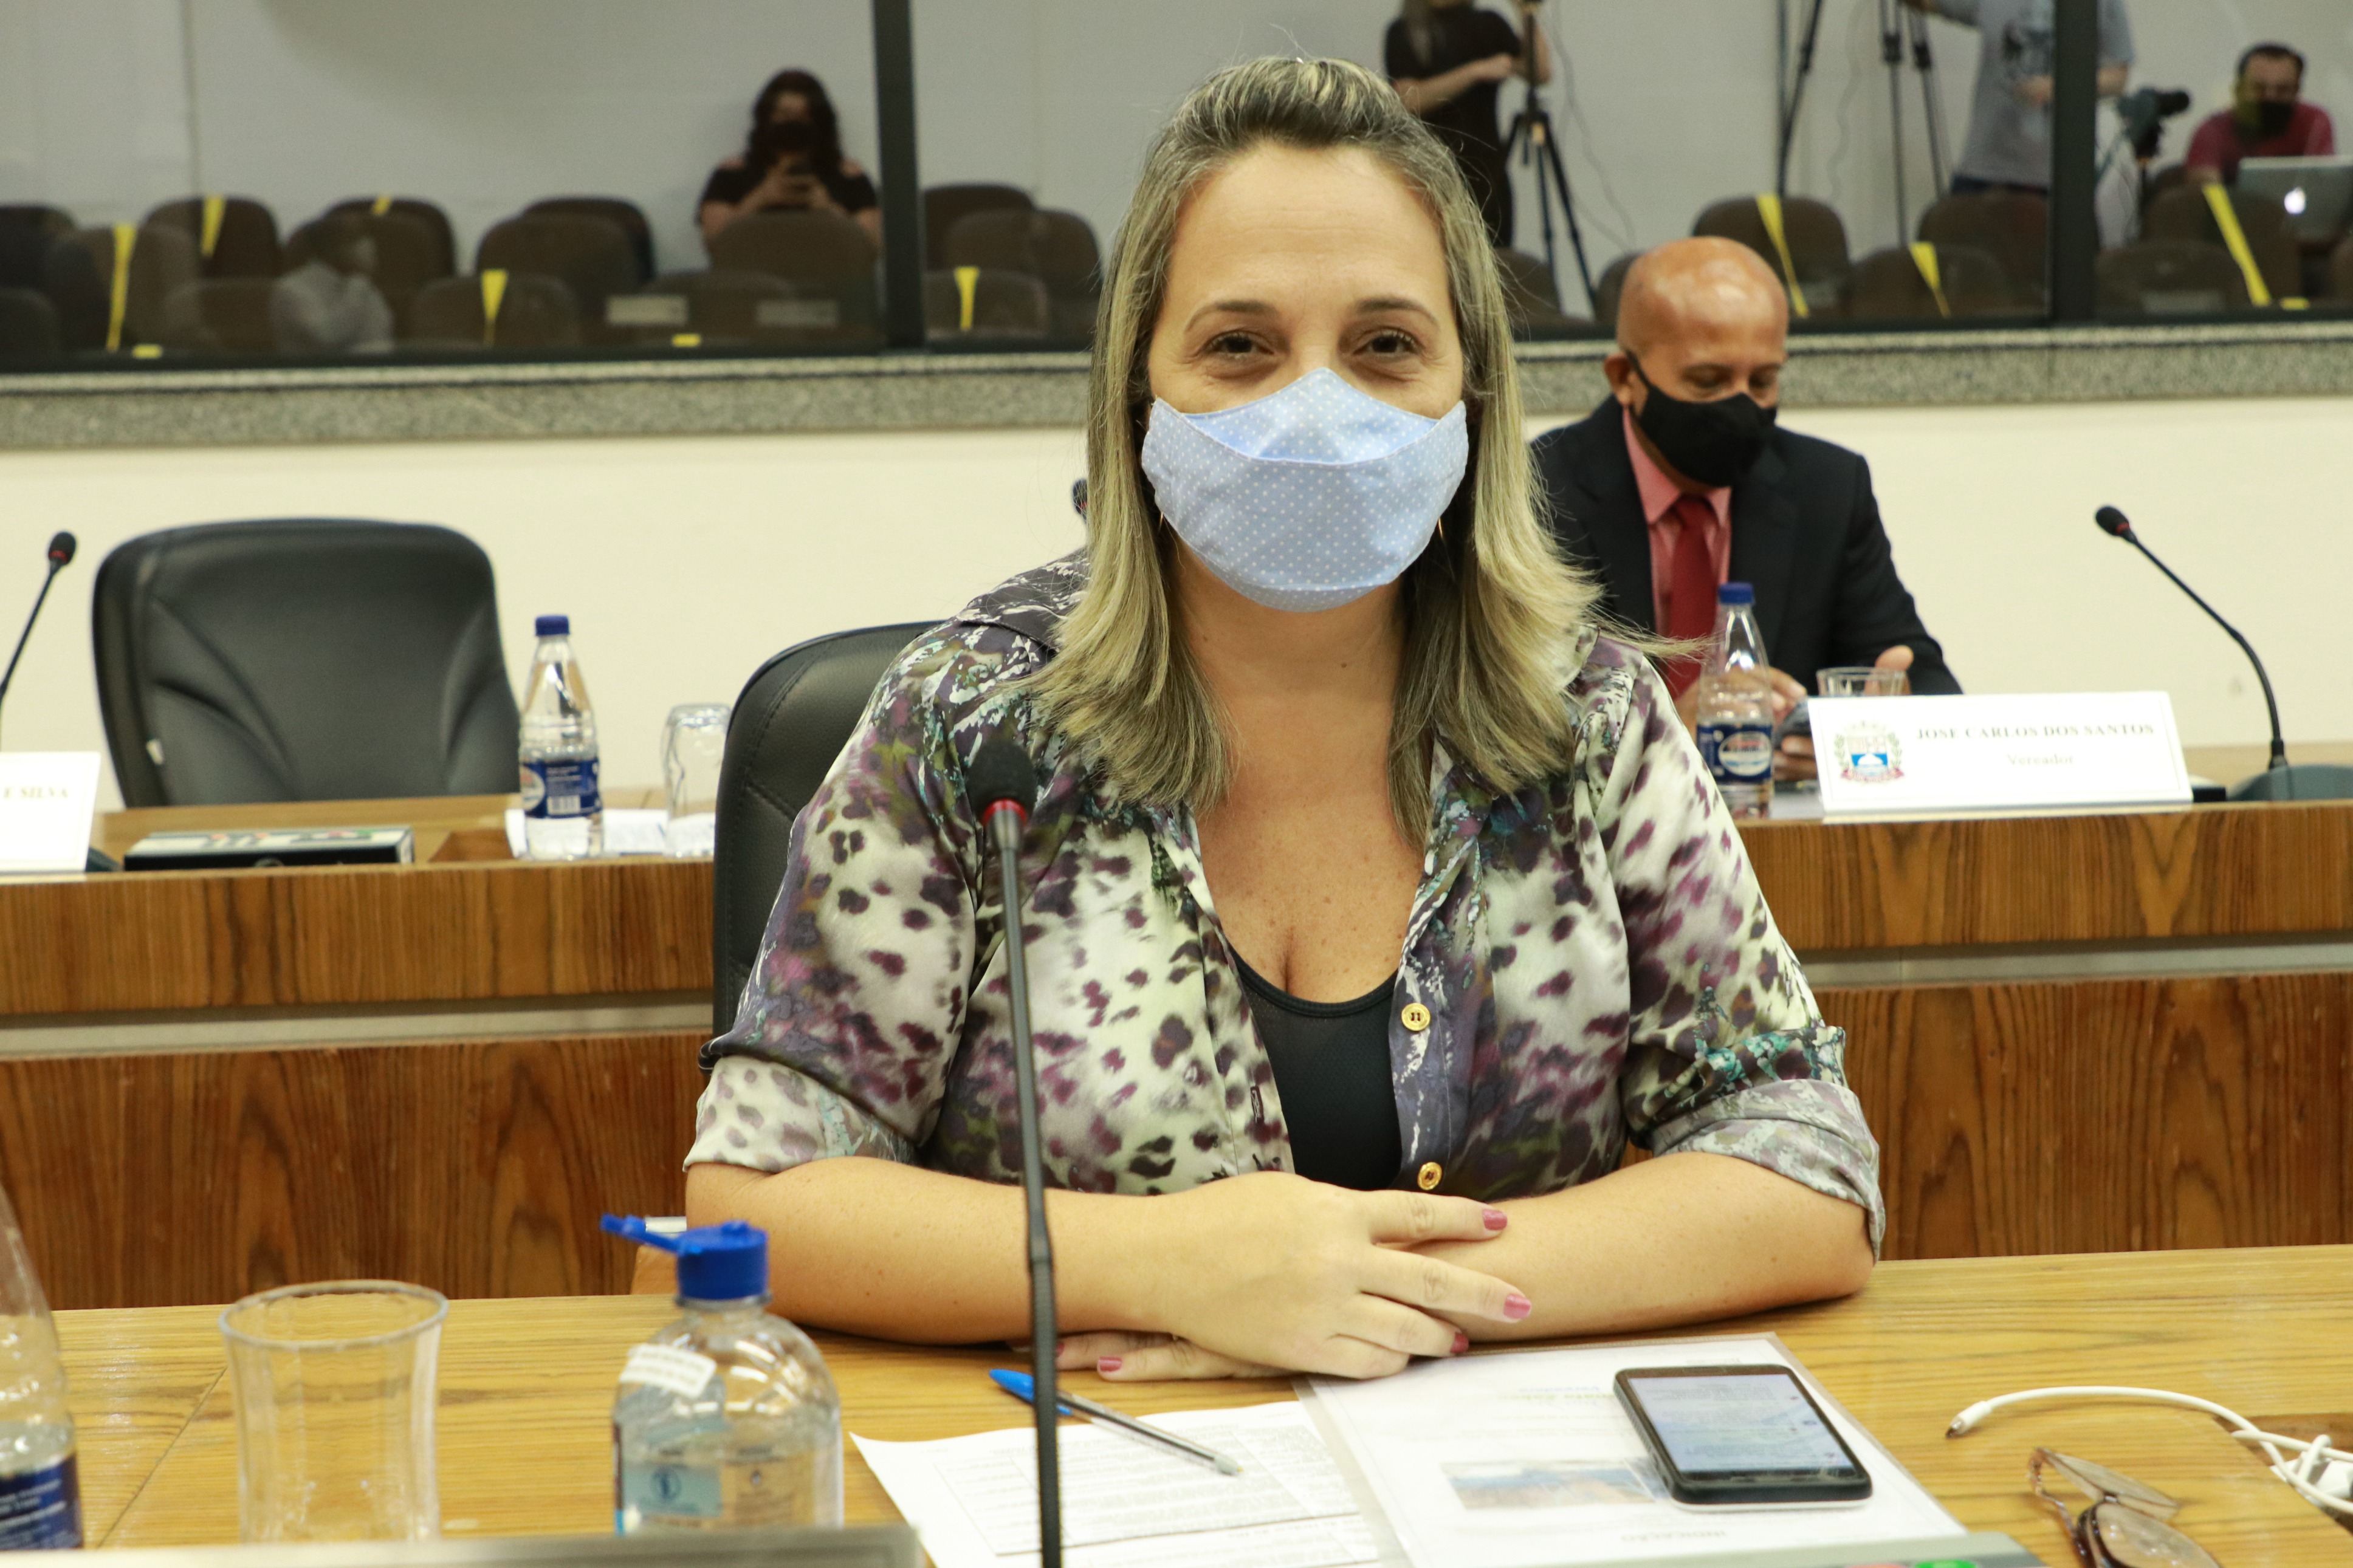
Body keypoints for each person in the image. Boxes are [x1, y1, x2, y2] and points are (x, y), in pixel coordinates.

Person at [685, 58, 1878, 1385]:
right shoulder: (967, 718)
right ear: (1138, 391)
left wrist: (1369, 1292)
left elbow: (1806, 1165)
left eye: (1385, 345)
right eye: (1240, 345)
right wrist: (1173, 1265)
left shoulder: (1585, 715)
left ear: (1472, 392)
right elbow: (755, 1200)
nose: (1317, 405)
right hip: (1089, 1459)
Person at [1530, 239, 1957, 782]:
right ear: (1624, 378)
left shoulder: (1827, 489)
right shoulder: (1538, 494)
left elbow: (1930, 688)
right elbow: (1505, 725)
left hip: (1774, 820)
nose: (1741, 405)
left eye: (1762, 382)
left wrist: (1861, 730)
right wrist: (1661, 734)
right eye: (1708, 381)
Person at [1906, 0, 2134, 194]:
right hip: (1985, 167)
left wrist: (2057, 86)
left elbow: (2118, 76)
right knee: (1951, 232)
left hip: (2058, 176)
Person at [1385, 0, 1551, 248]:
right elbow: (1408, 98)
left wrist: (1527, 13)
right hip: (1431, 172)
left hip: (1489, 173)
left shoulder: (1489, 24)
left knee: (1495, 255)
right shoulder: (1405, 31)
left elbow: (1539, 72)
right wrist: (1475, 72)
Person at [699, 69, 881, 250]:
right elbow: (714, 242)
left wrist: (830, 209)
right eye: (784, 115)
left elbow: (872, 246)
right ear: (767, 119)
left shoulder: (849, 177)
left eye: (803, 116)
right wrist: (759, 200)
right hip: (752, 267)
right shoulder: (731, 175)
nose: (793, 125)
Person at [2185, 43, 2335, 187]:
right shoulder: (2214, 131)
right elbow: (2207, 189)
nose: (2271, 97)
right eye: (2259, 88)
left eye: (2283, 90)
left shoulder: (2314, 123)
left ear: (2297, 91)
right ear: (2238, 89)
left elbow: (2324, 184)